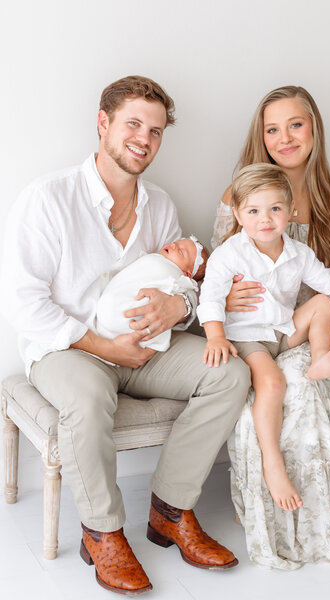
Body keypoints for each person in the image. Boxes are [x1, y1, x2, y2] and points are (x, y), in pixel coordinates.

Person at [0, 76, 251, 595]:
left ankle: (170, 510)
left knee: (229, 372)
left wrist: (177, 304)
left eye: (156, 131)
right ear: (103, 124)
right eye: (133, 124)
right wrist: (104, 347)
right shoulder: (48, 199)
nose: (144, 139)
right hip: (68, 348)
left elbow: (183, 288)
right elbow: (27, 305)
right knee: (88, 398)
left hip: (143, 350)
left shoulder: (160, 206)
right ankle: (103, 533)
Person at [212, 86, 330, 569]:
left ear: (314, 128)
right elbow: (213, 274)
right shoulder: (241, 195)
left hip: (310, 323)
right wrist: (223, 308)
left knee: (328, 377)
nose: (285, 137)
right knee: (286, 385)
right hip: (251, 327)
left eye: (295, 124)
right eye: (272, 129)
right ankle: (282, 502)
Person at [199, 163, 330, 512]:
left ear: (290, 210)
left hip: (283, 330)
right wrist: (215, 336)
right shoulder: (229, 254)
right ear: (238, 214)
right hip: (248, 339)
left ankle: (320, 358)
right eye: (254, 211)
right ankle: (272, 463)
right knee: (272, 384)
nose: (265, 219)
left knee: (323, 302)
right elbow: (211, 298)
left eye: (275, 209)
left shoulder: (298, 254)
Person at [96, 235, 208, 351]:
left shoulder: (176, 277)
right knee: (113, 303)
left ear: (187, 275)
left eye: (180, 251)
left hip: (125, 320)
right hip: (106, 306)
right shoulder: (154, 259)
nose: (173, 245)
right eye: (176, 242)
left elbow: (191, 292)